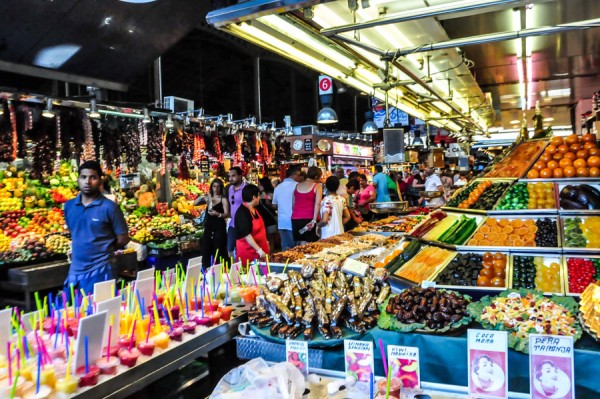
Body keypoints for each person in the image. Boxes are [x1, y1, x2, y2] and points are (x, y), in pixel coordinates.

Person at [63, 161, 130, 295]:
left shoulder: (110, 207)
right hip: (75, 272)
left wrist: (104, 248)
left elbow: (123, 238)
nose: (87, 182)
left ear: (100, 180)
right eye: (83, 177)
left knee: (98, 312)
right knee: (72, 313)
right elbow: (74, 232)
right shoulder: (69, 206)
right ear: (78, 179)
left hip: (101, 270)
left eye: (93, 177)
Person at [234, 184, 269, 267]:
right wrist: (259, 250)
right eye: (258, 196)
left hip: (260, 252)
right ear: (254, 197)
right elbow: (247, 235)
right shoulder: (242, 212)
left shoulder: (255, 209)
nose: (259, 198)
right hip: (249, 253)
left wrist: (266, 242)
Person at [199, 178, 229, 269]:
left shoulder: (223, 199)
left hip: (219, 225)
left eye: (218, 187)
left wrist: (218, 214)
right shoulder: (209, 198)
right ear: (211, 187)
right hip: (209, 225)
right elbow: (195, 203)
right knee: (206, 247)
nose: (216, 189)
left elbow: (227, 214)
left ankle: (220, 268)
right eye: (214, 186)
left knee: (219, 247)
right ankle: (206, 268)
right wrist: (202, 196)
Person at [291, 166, 323, 244]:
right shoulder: (317, 186)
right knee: (312, 243)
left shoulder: (297, 186)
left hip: (296, 219)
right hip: (309, 219)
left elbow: (293, 204)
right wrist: (314, 220)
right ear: (316, 177)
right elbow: (318, 203)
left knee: (302, 241)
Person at [272, 165, 301, 250]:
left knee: (285, 248)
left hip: (282, 222)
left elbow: (274, 205)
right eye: (298, 175)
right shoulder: (298, 186)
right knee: (296, 249)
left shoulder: (278, 187)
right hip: (294, 221)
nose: (299, 177)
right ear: (293, 175)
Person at [225, 167, 246, 258]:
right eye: (229, 176)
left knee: (242, 249)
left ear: (240, 176)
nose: (230, 178)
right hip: (232, 224)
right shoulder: (230, 188)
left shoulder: (246, 188)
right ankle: (234, 268)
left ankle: (243, 269)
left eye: (233, 176)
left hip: (244, 224)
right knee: (229, 250)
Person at [257, 177, 278, 251]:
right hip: (261, 219)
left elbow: (274, 207)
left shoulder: (271, 194)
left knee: (270, 237)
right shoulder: (258, 195)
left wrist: (267, 200)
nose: (258, 186)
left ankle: (271, 252)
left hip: (270, 218)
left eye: (260, 185)